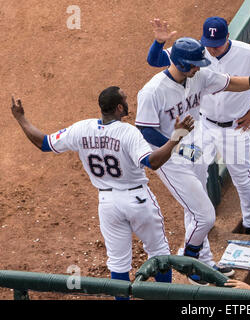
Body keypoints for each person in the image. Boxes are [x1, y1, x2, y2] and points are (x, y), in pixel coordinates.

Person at [10, 87, 194, 299]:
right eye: (125, 99)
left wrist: (21, 118)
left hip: (108, 204)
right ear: (119, 107)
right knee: (160, 254)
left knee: (118, 262)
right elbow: (153, 162)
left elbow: (44, 143)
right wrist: (177, 137)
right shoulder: (128, 132)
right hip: (138, 201)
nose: (128, 102)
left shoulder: (81, 129)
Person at [136, 36, 250, 285]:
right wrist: (175, 140)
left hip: (193, 148)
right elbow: (145, 130)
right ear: (183, 64)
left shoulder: (198, 76)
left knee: (195, 207)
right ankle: (191, 260)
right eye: (195, 64)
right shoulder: (153, 92)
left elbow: (231, 83)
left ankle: (203, 261)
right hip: (170, 158)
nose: (200, 67)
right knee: (205, 215)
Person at [146, 17, 250, 235]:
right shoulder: (196, 51)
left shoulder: (248, 53)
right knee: (198, 176)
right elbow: (155, 60)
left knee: (241, 177)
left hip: (235, 127)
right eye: (208, 43)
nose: (212, 50)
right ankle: (203, 223)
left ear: (228, 37)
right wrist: (158, 42)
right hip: (203, 125)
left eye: (216, 45)